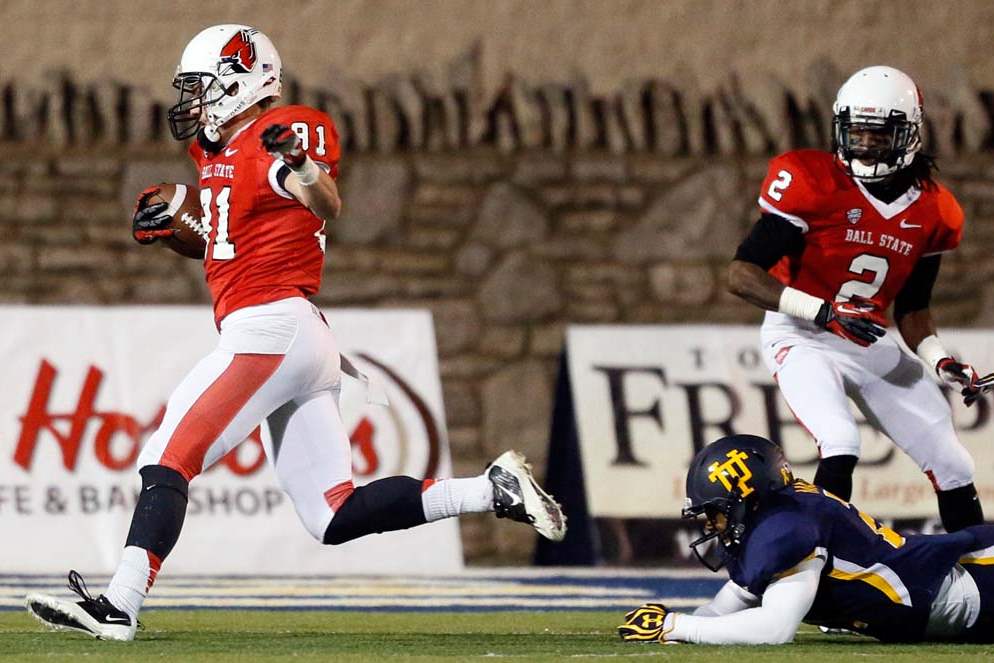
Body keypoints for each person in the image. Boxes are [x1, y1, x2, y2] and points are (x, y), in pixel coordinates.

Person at [25, 24, 565, 641]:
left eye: (200, 86)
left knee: (167, 457)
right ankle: (490, 491)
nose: (191, 100)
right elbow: (231, 244)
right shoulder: (216, 153)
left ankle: (119, 605)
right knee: (331, 514)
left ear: (238, 82)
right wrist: (178, 233)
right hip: (297, 336)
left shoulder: (278, 137)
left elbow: (324, 201)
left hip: (270, 328)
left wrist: (301, 163)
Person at [726, 65, 985, 531]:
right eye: (856, 132)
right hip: (801, 333)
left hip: (865, 336)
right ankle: (821, 558)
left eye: (877, 134)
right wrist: (823, 312)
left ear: (907, 134)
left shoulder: (936, 209)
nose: (864, 144)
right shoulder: (810, 180)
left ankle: (980, 567)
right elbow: (741, 274)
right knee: (840, 440)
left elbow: (913, 308)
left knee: (953, 463)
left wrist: (941, 360)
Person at [617, 434, 994, 645]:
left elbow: (775, 629)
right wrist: (673, 627)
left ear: (748, 499)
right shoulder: (773, 519)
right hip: (948, 590)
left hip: (974, 586)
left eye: (716, 512)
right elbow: (723, 610)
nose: (712, 525)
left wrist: (676, 626)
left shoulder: (786, 527)